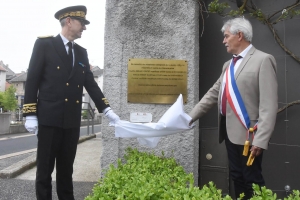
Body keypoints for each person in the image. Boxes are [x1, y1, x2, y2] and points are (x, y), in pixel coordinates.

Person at [22, 5, 120, 200]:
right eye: (81, 23)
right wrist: (30, 114)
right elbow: (32, 80)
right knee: (44, 172)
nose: (84, 27)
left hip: (71, 122)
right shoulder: (45, 45)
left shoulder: (82, 53)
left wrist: (106, 109)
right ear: (68, 21)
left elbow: (90, 84)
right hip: (49, 120)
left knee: (66, 172)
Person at [188, 17, 277, 199]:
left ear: (239, 35)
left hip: (249, 137)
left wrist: (260, 140)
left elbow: (269, 105)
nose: (223, 41)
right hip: (229, 134)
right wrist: (189, 117)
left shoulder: (263, 60)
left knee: (253, 180)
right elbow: (213, 94)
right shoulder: (227, 66)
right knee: (237, 178)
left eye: (226, 36)